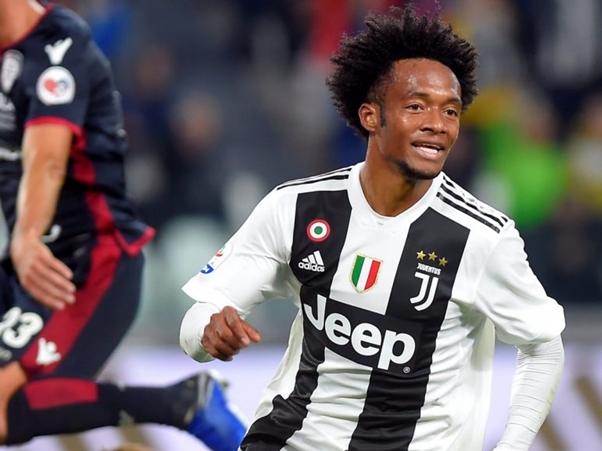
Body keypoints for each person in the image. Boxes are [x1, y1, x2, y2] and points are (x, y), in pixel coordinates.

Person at [180, 4, 566, 451]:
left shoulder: (481, 237)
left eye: (450, 112)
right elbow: (201, 317)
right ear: (370, 116)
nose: (437, 125)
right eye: (417, 106)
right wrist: (208, 333)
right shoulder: (297, 208)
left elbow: (543, 346)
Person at [0, 1, 246, 450]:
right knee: (11, 415)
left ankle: (180, 406)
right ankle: (180, 403)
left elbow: (47, 158)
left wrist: (27, 236)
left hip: (89, 265)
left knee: (4, 410)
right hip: (26, 270)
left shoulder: (58, 47)